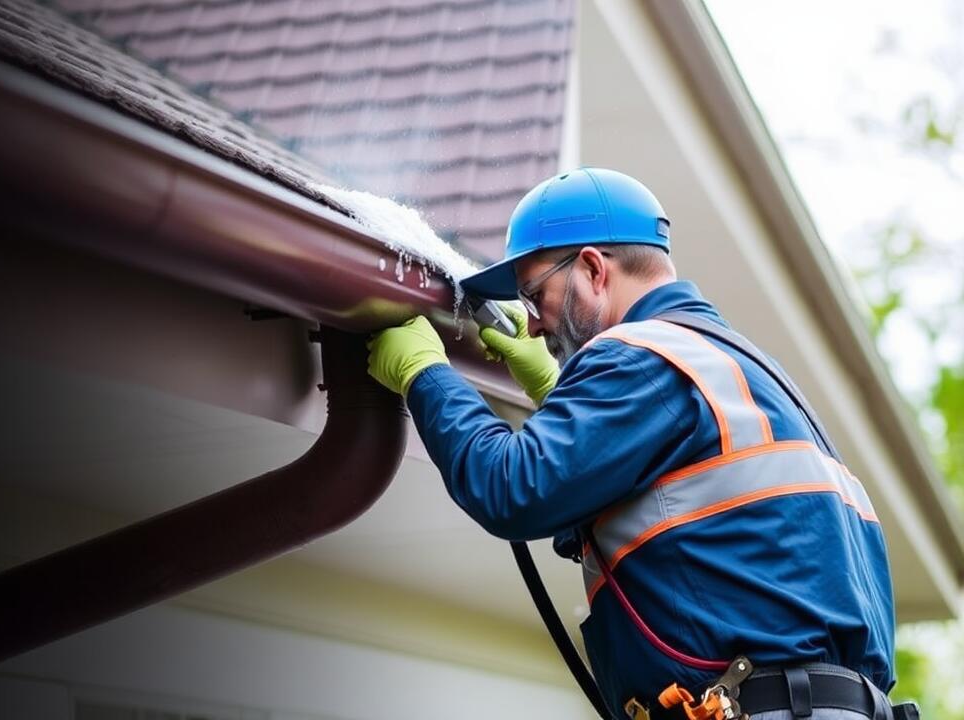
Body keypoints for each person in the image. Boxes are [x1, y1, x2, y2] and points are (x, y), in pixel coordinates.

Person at [366, 168, 898, 720]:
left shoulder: (638, 356)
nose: (533, 323)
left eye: (535, 294)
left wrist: (425, 373)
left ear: (594, 269)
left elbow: (513, 489)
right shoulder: (744, 370)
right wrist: (552, 390)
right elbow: (660, 513)